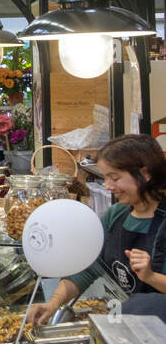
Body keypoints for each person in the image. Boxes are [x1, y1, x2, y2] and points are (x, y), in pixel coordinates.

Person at [27, 133, 166, 325]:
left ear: (145, 174)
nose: (108, 186)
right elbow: (88, 268)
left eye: (114, 178)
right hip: (128, 323)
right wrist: (52, 304)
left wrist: (151, 277)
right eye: (105, 178)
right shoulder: (116, 214)